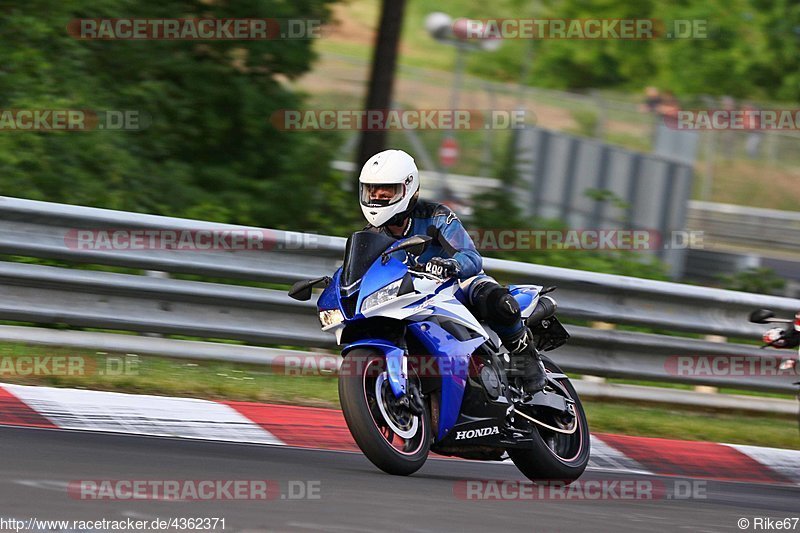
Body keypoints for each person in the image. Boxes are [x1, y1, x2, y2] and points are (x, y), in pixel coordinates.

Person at [358, 149, 547, 393]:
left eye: (386, 191)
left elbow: (470, 256)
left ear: (408, 188)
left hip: (455, 285)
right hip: (409, 297)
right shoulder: (371, 237)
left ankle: (526, 357)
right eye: (372, 191)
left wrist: (452, 265)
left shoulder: (437, 216)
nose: (378, 198)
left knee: (497, 300)